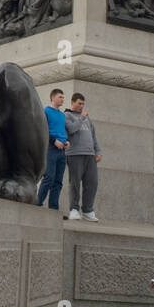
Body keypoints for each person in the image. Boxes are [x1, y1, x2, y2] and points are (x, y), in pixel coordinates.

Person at [64, 93, 101, 221]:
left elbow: (93, 135)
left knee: (92, 182)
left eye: (83, 104)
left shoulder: (87, 118)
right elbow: (72, 129)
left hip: (90, 154)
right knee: (75, 183)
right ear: (72, 102)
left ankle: (88, 210)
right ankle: (74, 209)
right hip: (75, 153)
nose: (81, 106)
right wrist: (81, 118)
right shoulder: (66, 115)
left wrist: (98, 151)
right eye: (79, 103)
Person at [36, 88, 69, 210]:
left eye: (63, 97)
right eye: (60, 97)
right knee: (49, 178)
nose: (62, 99)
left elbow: (62, 131)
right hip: (51, 149)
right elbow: (43, 130)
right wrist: (54, 141)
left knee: (58, 182)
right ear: (53, 98)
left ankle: (53, 208)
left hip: (62, 151)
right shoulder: (46, 111)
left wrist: (67, 141)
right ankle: (38, 204)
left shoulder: (62, 115)